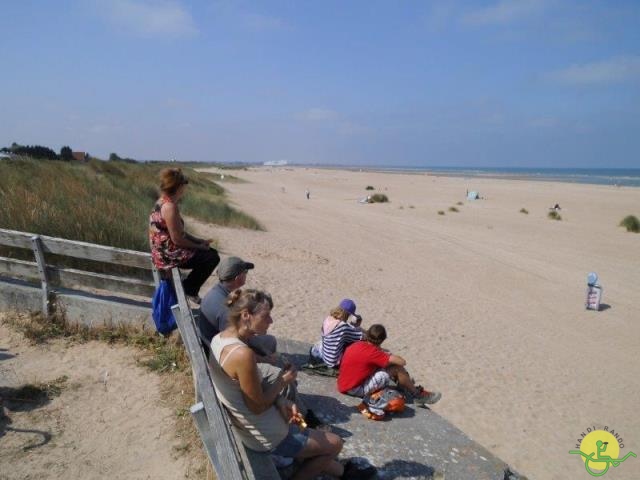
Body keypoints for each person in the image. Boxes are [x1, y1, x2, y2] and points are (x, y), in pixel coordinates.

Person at [209, 289, 377, 480]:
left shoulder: (220, 339)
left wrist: (281, 401)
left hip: (252, 425)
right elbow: (256, 406)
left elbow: (246, 391)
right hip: (264, 435)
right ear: (246, 315)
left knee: (320, 443)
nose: (270, 321)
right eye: (266, 316)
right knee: (336, 443)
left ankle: (342, 472)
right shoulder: (242, 354)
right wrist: (283, 381)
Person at [149, 168, 219, 303]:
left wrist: (198, 241)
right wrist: (199, 247)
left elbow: (178, 232)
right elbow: (177, 239)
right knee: (212, 257)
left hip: (162, 250)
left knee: (209, 254)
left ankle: (189, 288)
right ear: (179, 187)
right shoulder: (170, 207)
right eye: (184, 185)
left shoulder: (162, 201)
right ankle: (189, 289)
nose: (185, 189)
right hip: (167, 254)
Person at [338, 324, 441, 408]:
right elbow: (402, 362)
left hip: (344, 383)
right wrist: (386, 354)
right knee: (397, 368)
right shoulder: (373, 353)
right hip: (355, 389)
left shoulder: (357, 344)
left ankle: (404, 385)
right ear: (382, 340)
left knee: (383, 364)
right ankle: (417, 395)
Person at [199, 256, 275, 359]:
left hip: (209, 344)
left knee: (266, 340)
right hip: (218, 356)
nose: (246, 274)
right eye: (245, 272)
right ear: (238, 278)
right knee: (271, 341)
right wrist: (263, 360)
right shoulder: (225, 309)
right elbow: (234, 343)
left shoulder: (216, 292)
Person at [310, 299, 364, 368]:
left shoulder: (328, 319)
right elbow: (360, 336)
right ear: (348, 314)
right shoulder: (343, 326)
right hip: (332, 361)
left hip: (324, 355)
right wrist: (357, 326)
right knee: (355, 345)